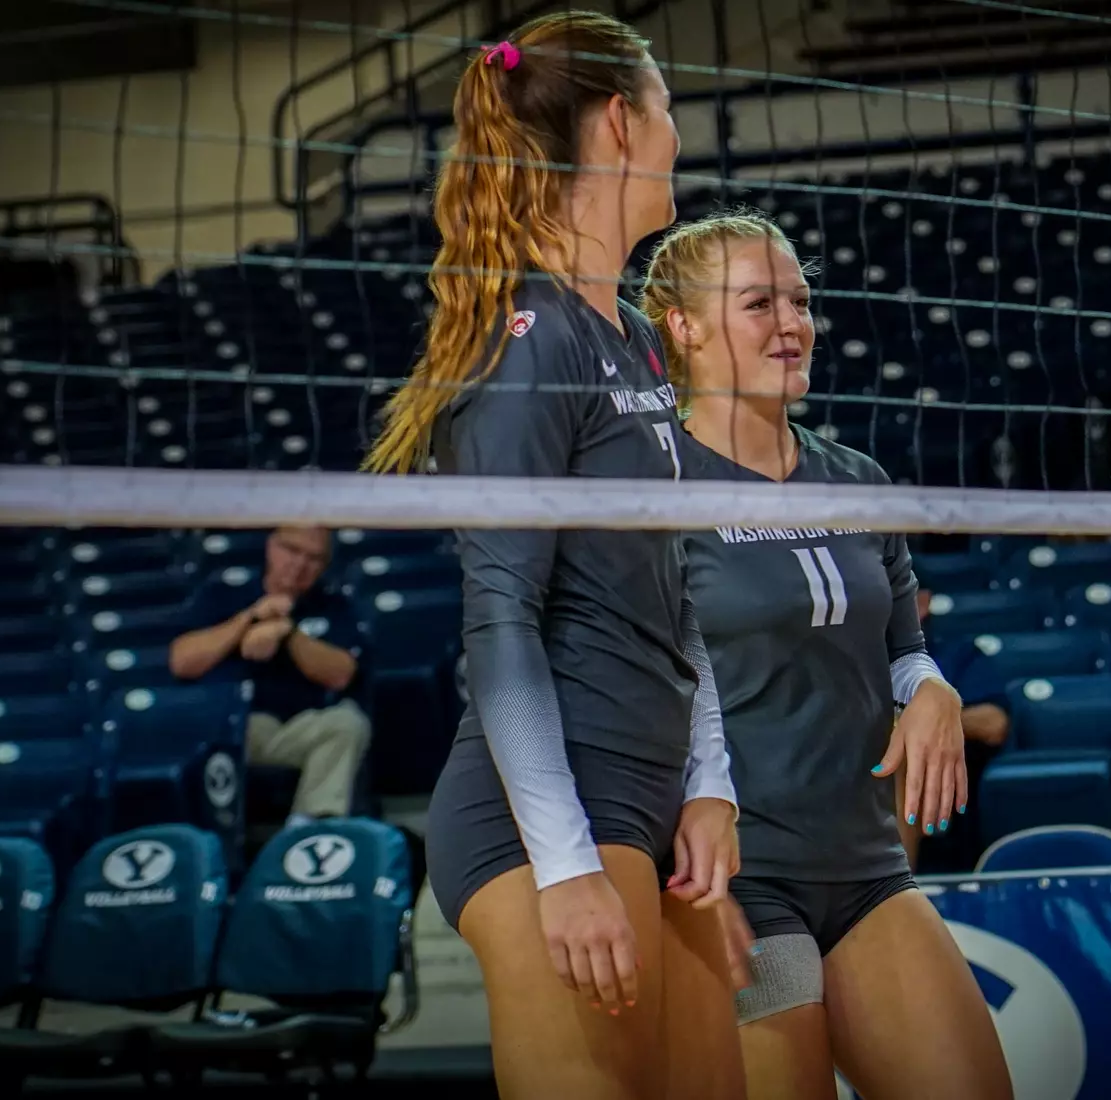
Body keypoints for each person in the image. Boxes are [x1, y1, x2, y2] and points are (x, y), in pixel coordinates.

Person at [360, 14, 746, 1099]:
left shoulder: (622, 332)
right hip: (546, 814)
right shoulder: (528, 339)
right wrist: (566, 866)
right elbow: (498, 619)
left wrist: (708, 784)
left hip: (650, 799)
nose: (679, 130)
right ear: (621, 123)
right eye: (666, 105)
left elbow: (676, 599)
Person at [641, 211, 1011, 1100]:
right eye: (759, 303)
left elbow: (905, 652)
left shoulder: (857, 479)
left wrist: (931, 689)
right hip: (738, 878)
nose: (792, 324)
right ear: (683, 328)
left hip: (865, 864)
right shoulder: (652, 486)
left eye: (800, 301)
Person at [168, 524, 368, 828]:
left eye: (313, 558)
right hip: (237, 726)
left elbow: (340, 674)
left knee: (348, 723)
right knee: (203, 730)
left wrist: (288, 631)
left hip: (297, 727)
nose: (300, 564)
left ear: (325, 566)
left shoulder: (334, 606)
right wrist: (251, 618)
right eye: (292, 550)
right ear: (271, 547)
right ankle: (211, 837)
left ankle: (308, 829)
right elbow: (182, 661)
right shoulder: (224, 594)